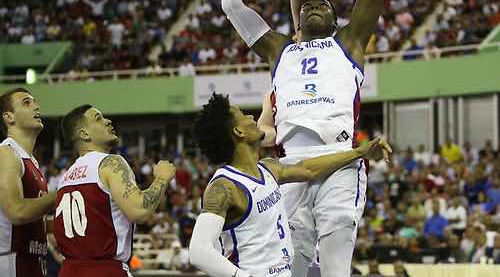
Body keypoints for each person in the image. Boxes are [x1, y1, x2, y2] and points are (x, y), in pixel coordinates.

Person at [220, 0, 386, 277]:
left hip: (340, 158)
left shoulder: (348, 44)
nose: (313, 5)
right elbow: (232, 7)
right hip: (290, 165)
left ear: (336, 22)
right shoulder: (280, 49)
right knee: (289, 268)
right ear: (297, 22)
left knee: (334, 268)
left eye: (323, 5)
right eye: (308, 5)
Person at [189, 94, 391, 277]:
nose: (252, 117)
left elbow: (308, 169)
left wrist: (359, 152)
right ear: (239, 131)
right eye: (243, 115)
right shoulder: (224, 187)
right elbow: (198, 251)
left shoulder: (267, 169)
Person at [54, 104, 176, 277]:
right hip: (105, 269)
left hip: (68, 271)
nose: (108, 121)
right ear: (84, 134)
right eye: (99, 118)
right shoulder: (111, 163)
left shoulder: (64, 179)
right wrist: (162, 178)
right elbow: (139, 211)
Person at [0, 88, 57, 277]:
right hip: (11, 259)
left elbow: (35, 220)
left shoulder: (31, 161)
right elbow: (17, 211)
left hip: (33, 259)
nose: (36, 106)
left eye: (35, 101)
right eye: (26, 102)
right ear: (9, 117)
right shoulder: (6, 153)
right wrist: (63, 193)